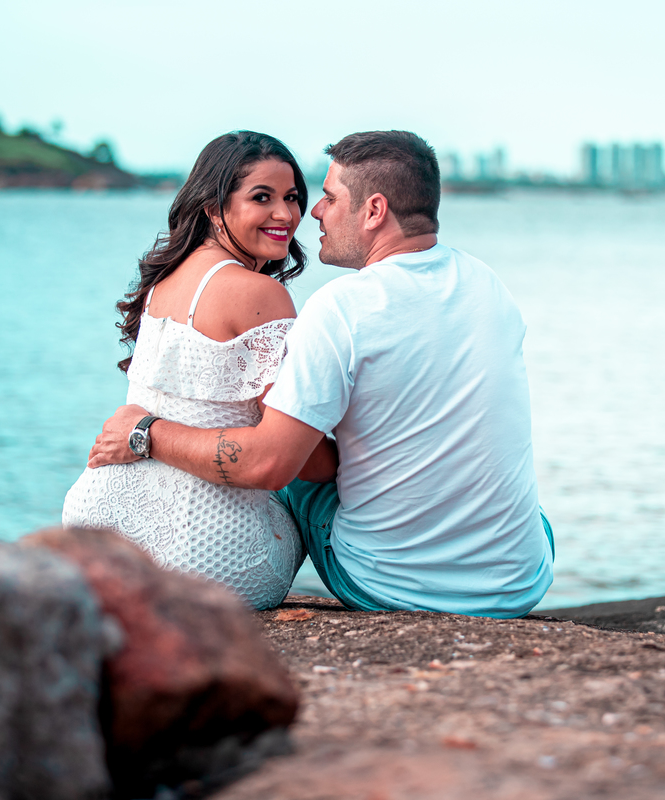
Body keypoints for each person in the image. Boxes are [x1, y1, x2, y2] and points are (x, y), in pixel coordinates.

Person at [89, 130, 554, 618]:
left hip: (386, 587)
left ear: (373, 211)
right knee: (525, 509)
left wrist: (145, 433)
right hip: (520, 581)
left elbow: (271, 466)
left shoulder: (341, 307)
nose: (309, 213)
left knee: (291, 453)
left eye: (327, 198)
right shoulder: (489, 285)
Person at [63, 131, 336, 610]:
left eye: (292, 197)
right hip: (209, 554)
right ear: (213, 207)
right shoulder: (259, 294)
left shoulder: (163, 278)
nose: (285, 214)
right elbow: (303, 463)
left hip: (97, 530)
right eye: (262, 197)